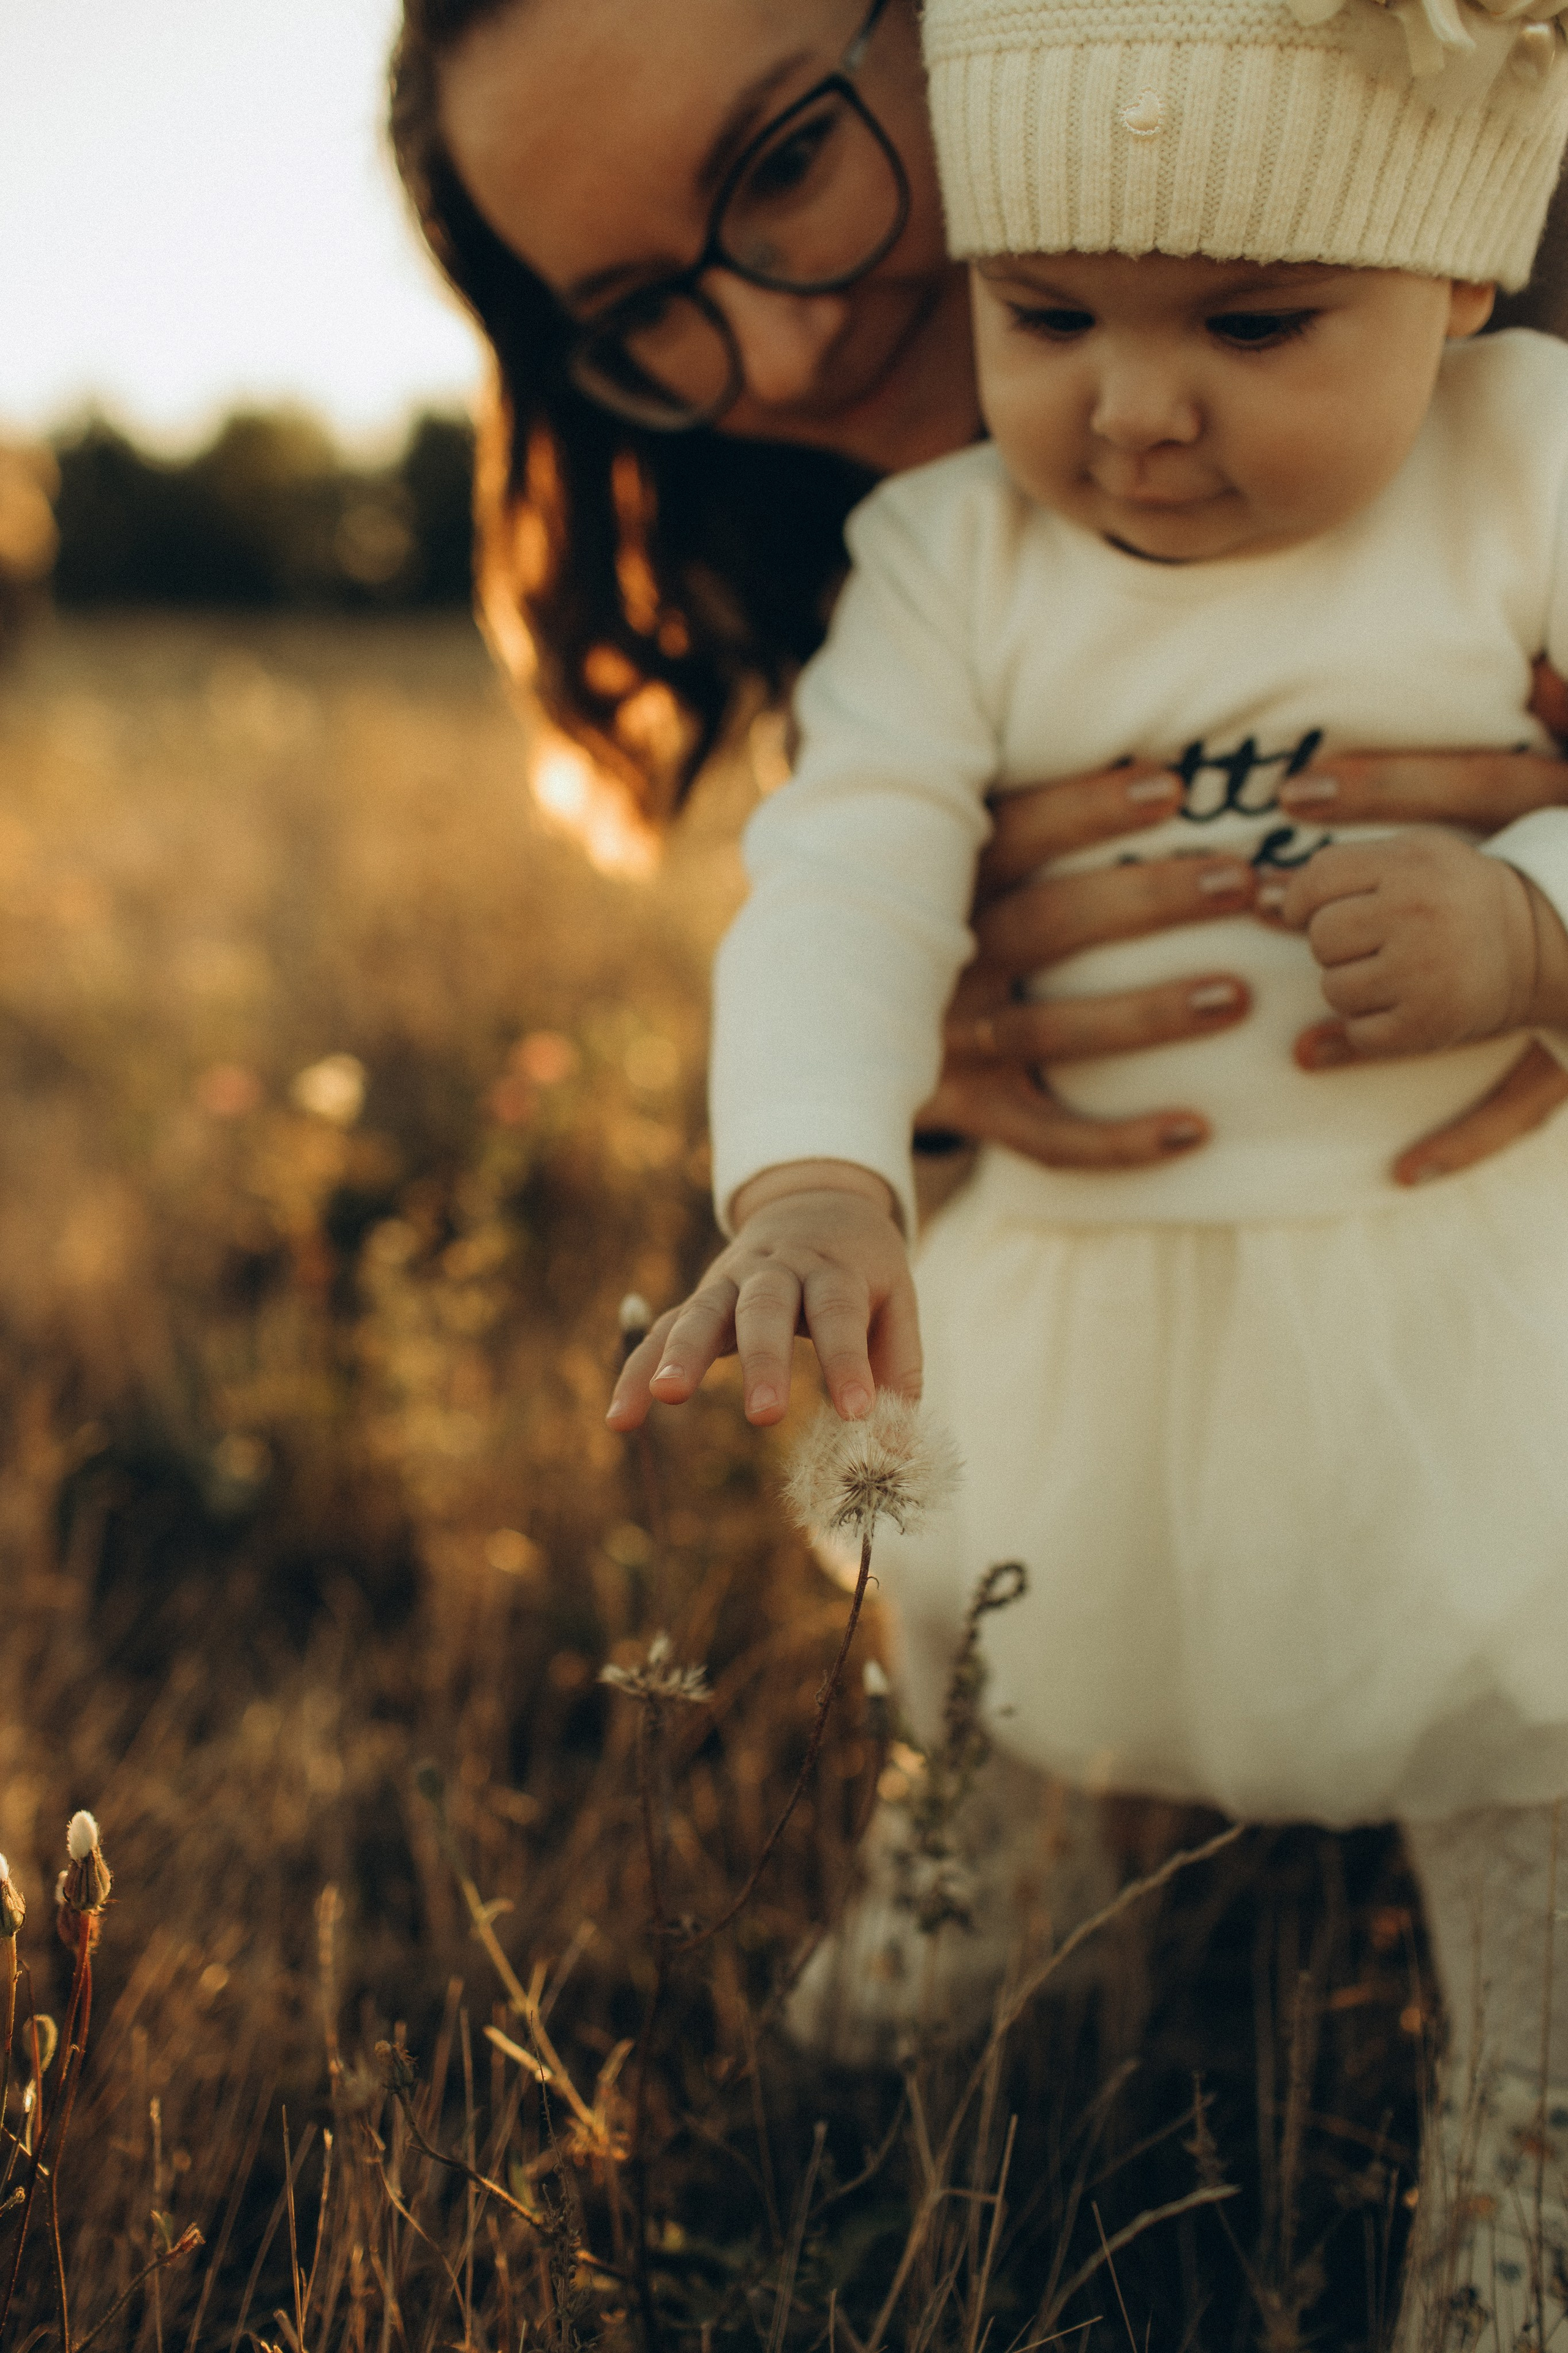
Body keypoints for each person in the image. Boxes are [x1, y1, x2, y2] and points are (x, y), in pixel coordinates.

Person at [610, 0, 1568, 2341]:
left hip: (1470, 1254)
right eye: (1045, 316)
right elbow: (846, 859)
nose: (1134, 407)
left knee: (1519, 1673)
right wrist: (817, 1180)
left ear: (1457, 282)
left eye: (1254, 322)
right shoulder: (951, 549)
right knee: (1004, 1609)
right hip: (1105, 1250)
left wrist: (1538, 910)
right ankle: (982, 1887)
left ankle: (1520, 2137)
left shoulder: (1530, 454)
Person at [392, 0, 1568, 1193]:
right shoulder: (883, 576)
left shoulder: (1520, 442)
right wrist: (892, 1083)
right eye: (640, 307)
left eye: (786, 162)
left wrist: (1536, 940)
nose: (785, 351)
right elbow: (843, 930)